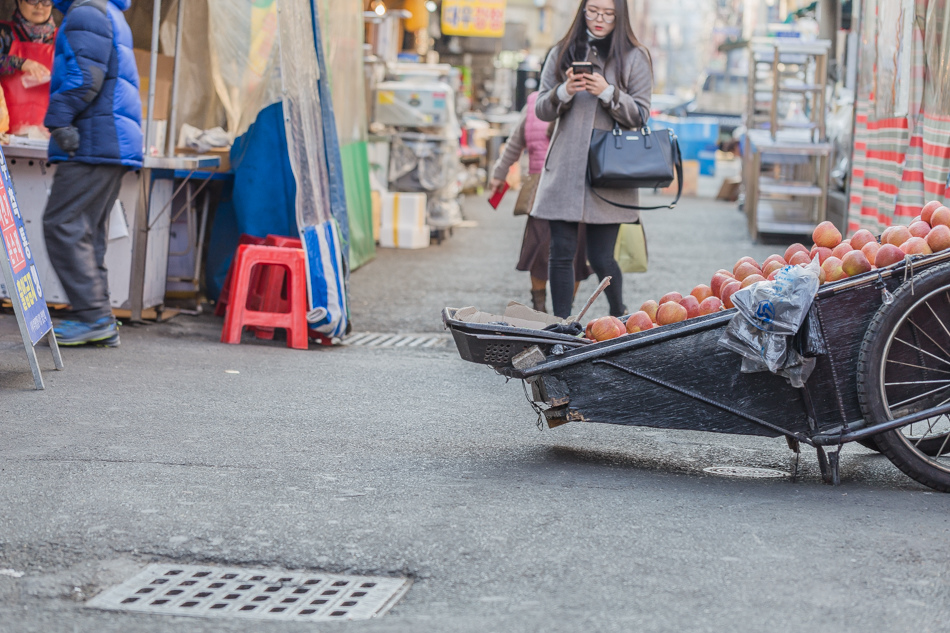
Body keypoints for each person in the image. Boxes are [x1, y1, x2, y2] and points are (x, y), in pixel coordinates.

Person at [533, 0, 653, 319]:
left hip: (610, 172)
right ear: (583, 9)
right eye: (593, 10)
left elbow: (640, 115)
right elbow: (540, 109)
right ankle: (561, 329)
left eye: (608, 13)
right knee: (560, 253)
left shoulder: (634, 56)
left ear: (620, 15)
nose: (600, 19)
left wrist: (608, 92)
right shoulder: (563, 51)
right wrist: (563, 92)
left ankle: (619, 314)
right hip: (565, 168)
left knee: (601, 256)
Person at [42, 0, 142, 346]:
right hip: (106, 140)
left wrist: (57, 117)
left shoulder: (86, 11)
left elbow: (85, 77)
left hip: (93, 139)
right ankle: (98, 317)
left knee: (62, 224)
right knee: (86, 230)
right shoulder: (106, 10)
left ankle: (93, 316)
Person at [488, 90, 593, 313]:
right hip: (545, 187)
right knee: (541, 251)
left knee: (573, 253)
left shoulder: (585, 98)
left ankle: (561, 311)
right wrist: (499, 173)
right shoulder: (536, 103)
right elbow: (516, 142)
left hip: (574, 187)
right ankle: (541, 309)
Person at [0, 0, 56, 136]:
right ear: (19, 2)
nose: (39, 6)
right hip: (5, 135)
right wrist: (18, 63)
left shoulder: (63, 39)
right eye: (32, 0)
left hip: (49, 137)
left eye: (46, 1)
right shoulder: (4, 33)